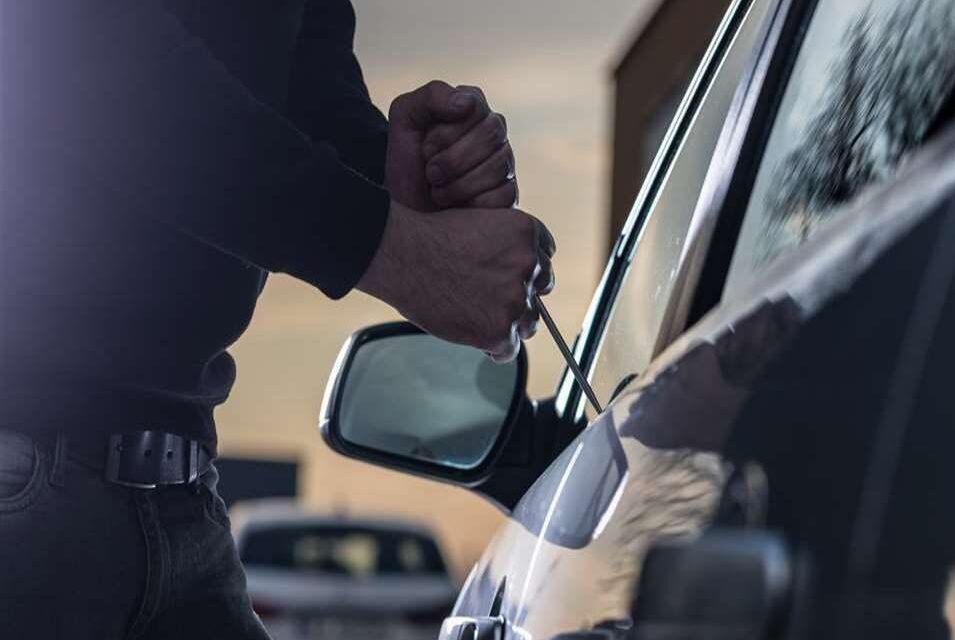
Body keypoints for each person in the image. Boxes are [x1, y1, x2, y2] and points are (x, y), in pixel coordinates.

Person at [0, 0, 551, 636]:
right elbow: (88, 57)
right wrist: (400, 252)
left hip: (180, 496)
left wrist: (401, 181)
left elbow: (301, 89)